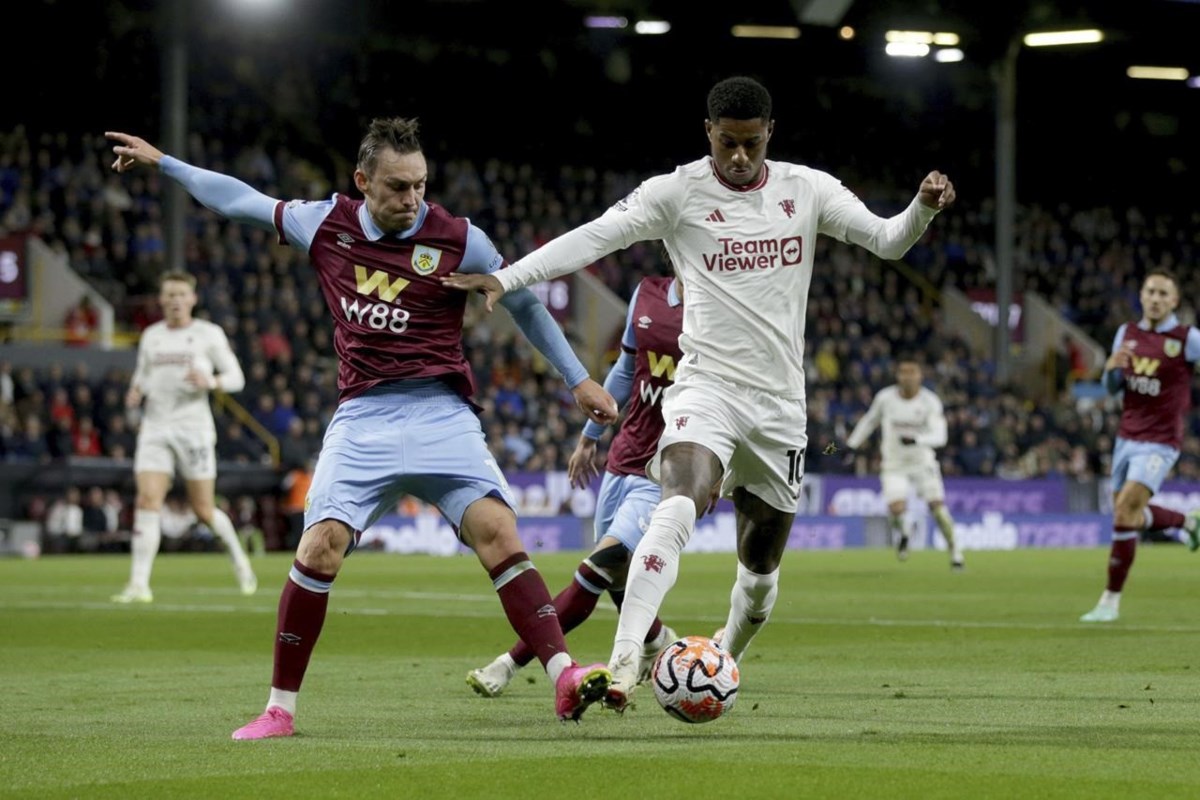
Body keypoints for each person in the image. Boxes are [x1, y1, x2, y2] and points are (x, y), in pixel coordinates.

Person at [443, 75, 955, 709]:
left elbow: (887, 239)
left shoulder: (808, 189)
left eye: (750, 144)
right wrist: (507, 275)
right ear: (707, 133)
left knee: (761, 574)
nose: (738, 158)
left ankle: (722, 661)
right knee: (678, 502)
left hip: (779, 410)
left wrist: (923, 208)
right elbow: (594, 236)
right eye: (726, 143)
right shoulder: (677, 191)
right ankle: (627, 663)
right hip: (705, 387)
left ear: (770, 134)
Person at [107, 116, 620, 738]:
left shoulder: (461, 239)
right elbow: (240, 200)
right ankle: (279, 710)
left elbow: (524, 305)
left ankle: (564, 677)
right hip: (363, 418)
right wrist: (165, 163)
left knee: (497, 530)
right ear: (363, 181)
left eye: (421, 186)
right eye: (399, 187)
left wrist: (578, 380)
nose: (413, 199)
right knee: (318, 546)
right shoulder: (326, 222)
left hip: (442, 412)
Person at [467, 274, 687, 697]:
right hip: (622, 459)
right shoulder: (648, 292)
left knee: (597, 567)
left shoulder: (724, 305)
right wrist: (590, 435)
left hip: (667, 469)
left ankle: (507, 665)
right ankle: (659, 641)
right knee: (618, 582)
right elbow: (626, 369)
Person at [111, 270, 258, 603]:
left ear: (192, 299)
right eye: (169, 295)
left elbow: (237, 377)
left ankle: (240, 561)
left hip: (193, 430)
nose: (175, 300)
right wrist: (135, 392)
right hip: (155, 428)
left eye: (181, 294)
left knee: (203, 510)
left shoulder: (208, 334)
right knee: (147, 500)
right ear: (161, 300)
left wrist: (212, 382)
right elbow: (143, 376)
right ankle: (138, 585)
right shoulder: (151, 336)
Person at [1080, 269, 1200, 622]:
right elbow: (1114, 388)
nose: (1156, 298)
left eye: (1164, 293)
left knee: (1123, 511)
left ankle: (1109, 602)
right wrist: (1111, 371)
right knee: (1128, 514)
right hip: (1126, 437)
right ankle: (1189, 524)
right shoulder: (1126, 333)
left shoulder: (1187, 338)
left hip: (1160, 441)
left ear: (1174, 301)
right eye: (1151, 291)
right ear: (1142, 296)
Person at [844, 354, 964, 570]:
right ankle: (906, 531)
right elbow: (870, 420)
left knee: (937, 508)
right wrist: (852, 445)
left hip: (922, 462)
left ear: (920, 376)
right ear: (897, 376)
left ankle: (955, 551)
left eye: (912, 372)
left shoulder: (930, 402)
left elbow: (941, 435)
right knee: (896, 508)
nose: (908, 377)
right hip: (894, 464)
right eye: (903, 372)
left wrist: (917, 439)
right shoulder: (885, 398)